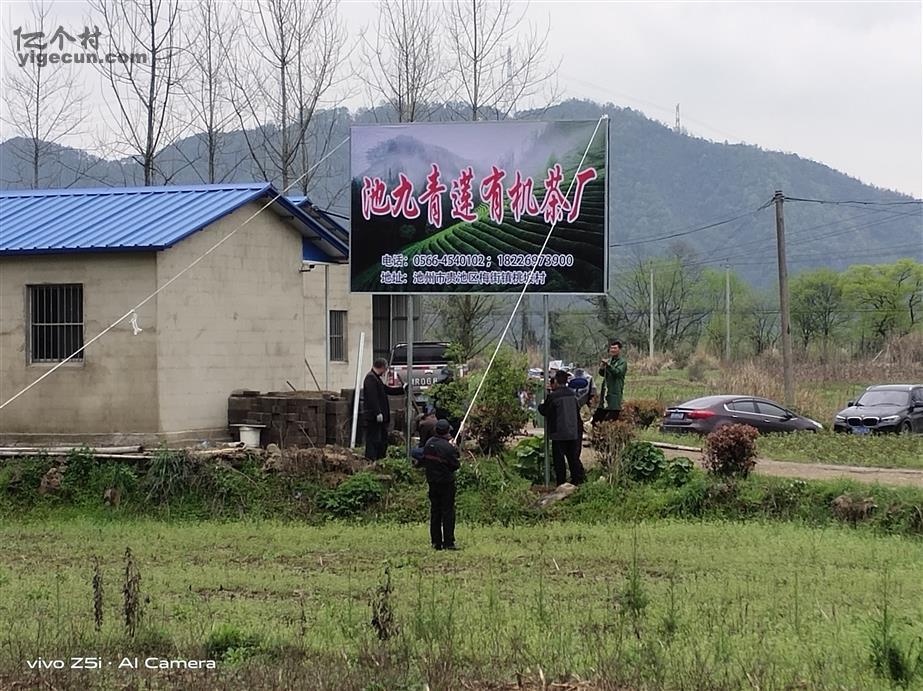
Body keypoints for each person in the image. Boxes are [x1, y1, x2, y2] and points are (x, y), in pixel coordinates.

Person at [416, 419, 461, 550]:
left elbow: (423, 460)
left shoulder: (429, 443)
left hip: (432, 482)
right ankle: (448, 542)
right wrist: (454, 448)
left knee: (435, 511)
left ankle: (436, 542)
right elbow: (455, 465)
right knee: (447, 512)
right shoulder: (448, 447)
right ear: (447, 432)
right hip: (446, 483)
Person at [538, 370, 585, 486]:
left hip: (559, 432)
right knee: (573, 457)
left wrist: (541, 403)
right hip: (574, 431)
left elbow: (545, 411)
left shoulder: (553, 396)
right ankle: (577, 480)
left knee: (559, 459)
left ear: (556, 382)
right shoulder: (573, 394)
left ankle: (561, 483)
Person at [363, 357, 407, 461]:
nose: (385, 372)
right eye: (385, 369)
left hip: (380, 417)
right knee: (373, 439)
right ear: (382, 367)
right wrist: (377, 412)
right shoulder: (370, 378)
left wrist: (402, 389)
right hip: (374, 416)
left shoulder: (376, 378)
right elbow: (372, 397)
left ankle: (380, 458)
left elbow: (387, 390)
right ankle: (371, 459)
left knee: (382, 439)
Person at [595, 340, 628, 424]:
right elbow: (602, 374)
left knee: (611, 419)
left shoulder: (622, 362)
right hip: (605, 393)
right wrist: (602, 367)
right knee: (597, 419)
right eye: (611, 348)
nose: (613, 350)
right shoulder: (609, 361)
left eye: (615, 348)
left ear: (619, 350)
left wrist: (608, 366)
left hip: (615, 393)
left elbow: (617, 373)